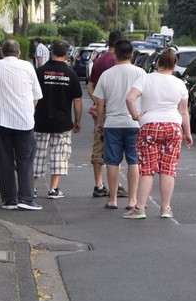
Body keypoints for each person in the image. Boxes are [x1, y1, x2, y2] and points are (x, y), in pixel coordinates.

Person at [0, 39, 43, 211]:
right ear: (18, 54)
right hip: (24, 122)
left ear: (2, 53)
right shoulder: (27, 66)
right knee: (25, 160)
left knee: (4, 160)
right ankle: (25, 199)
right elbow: (37, 96)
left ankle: (9, 200)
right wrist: (28, 111)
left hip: (1, 120)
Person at [124, 48, 192, 219]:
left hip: (149, 126)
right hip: (173, 127)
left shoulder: (146, 79)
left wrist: (136, 116)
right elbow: (184, 112)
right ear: (175, 65)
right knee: (168, 169)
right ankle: (166, 209)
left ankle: (140, 209)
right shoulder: (179, 83)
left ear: (158, 62)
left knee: (147, 170)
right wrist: (187, 133)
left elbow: (129, 98)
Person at [93, 40, 144, 211]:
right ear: (132, 54)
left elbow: (99, 103)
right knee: (133, 161)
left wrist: (99, 123)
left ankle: (113, 199)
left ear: (115, 54)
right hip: (134, 123)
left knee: (112, 162)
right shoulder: (141, 73)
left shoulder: (107, 75)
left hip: (113, 124)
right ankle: (132, 200)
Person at [32, 41, 83, 199]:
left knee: (37, 154)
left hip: (40, 121)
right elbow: (77, 100)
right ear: (67, 55)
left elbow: (33, 97)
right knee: (59, 155)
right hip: (62, 123)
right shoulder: (71, 74)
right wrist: (77, 121)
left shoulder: (40, 72)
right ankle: (54, 189)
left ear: (51, 52)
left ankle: (31, 188)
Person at [86, 31, 127, 198]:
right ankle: (114, 185)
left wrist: (97, 102)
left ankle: (99, 184)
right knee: (114, 149)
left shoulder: (99, 60)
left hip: (100, 110)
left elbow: (90, 84)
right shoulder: (117, 62)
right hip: (116, 111)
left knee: (98, 145)